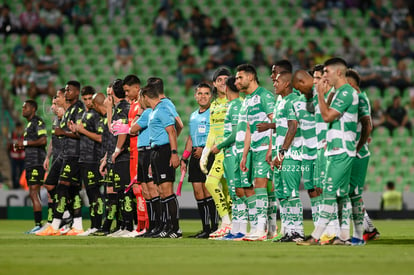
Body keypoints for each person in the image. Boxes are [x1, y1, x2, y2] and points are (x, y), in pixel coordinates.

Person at [298, 57, 358, 246]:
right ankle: (344, 237)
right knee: (340, 194)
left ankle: (316, 236)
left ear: (338, 72)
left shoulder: (347, 92)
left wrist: (320, 95)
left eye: (326, 72)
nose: (324, 77)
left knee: (329, 192)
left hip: (342, 149)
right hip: (334, 149)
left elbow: (327, 116)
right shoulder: (340, 92)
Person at [234, 64, 275, 241]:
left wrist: (272, 148)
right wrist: (244, 154)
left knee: (260, 185)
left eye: (239, 77)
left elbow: (276, 122)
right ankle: (265, 228)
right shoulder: (248, 99)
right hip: (254, 149)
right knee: (258, 187)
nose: (236, 81)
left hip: (266, 147)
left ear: (251, 77)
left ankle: (261, 228)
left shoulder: (264, 96)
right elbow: (250, 129)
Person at [43, 81, 85, 236]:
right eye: (65, 91)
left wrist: (64, 133)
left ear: (76, 92)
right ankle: (71, 219)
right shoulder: (68, 111)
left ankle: (57, 224)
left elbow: (79, 132)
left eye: (68, 90)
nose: (66, 92)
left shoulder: (78, 109)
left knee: (65, 188)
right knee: (52, 185)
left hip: (74, 154)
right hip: (64, 154)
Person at [141, 79, 181, 238]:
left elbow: (172, 131)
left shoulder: (162, 109)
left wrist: (173, 153)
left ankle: (176, 229)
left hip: (165, 151)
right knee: (161, 192)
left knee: (167, 191)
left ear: (145, 96)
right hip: (156, 152)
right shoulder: (155, 110)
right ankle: (166, 226)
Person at [211, 76, 247, 240]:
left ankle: (242, 229)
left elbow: (234, 134)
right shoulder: (233, 105)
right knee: (234, 193)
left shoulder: (236, 105)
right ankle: (236, 230)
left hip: (234, 152)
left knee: (238, 192)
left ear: (227, 88)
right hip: (229, 153)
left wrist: (219, 145)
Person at [271, 71, 304, 242]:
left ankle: (298, 231)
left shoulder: (294, 100)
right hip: (279, 153)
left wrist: (283, 152)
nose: (274, 84)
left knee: (291, 193)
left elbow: (293, 127)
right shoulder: (280, 102)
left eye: (277, 81)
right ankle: (288, 230)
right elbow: (279, 128)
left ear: (286, 84)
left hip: (291, 153)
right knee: (282, 194)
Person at [181, 83, 217, 238]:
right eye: (200, 93)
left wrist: (205, 149)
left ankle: (215, 227)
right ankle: (205, 228)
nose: (203, 96)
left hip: (208, 155)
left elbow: (217, 135)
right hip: (195, 156)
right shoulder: (193, 115)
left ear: (211, 96)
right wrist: (184, 157)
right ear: (195, 96)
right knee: (198, 191)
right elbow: (191, 138)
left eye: (206, 93)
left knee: (208, 190)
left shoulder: (214, 113)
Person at [200, 68, 231, 239]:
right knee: (212, 184)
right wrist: (206, 151)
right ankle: (227, 222)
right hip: (218, 153)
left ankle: (228, 223)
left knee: (226, 189)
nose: (223, 82)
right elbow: (212, 131)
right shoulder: (213, 105)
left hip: (232, 150)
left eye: (227, 79)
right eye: (220, 79)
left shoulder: (235, 100)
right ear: (214, 83)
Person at [71, 86, 104, 236]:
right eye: (85, 99)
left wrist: (82, 131)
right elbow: (86, 136)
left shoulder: (96, 115)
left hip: (93, 158)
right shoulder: (85, 114)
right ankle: (94, 225)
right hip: (84, 158)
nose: (88, 102)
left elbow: (100, 137)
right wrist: (76, 131)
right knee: (90, 194)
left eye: (90, 98)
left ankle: (97, 225)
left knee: (95, 192)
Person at [345, 69, 374, 246]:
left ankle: (364, 229)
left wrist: (358, 146)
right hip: (352, 150)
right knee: (350, 192)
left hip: (357, 151)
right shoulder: (357, 99)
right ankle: (368, 227)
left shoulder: (360, 99)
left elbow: (367, 125)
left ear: (354, 85)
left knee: (352, 192)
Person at [122, 74, 148, 236]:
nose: (125, 94)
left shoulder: (142, 105)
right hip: (132, 151)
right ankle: (139, 226)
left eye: (127, 90)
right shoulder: (133, 105)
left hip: (140, 150)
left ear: (137, 88)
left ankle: (145, 226)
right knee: (137, 189)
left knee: (142, 189)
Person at [17, 100, 47, 234]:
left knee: (34, 192)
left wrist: (25, 143)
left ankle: (39, 225)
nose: (23, 109)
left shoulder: (38, 122)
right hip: (30, 162)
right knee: (33, 193)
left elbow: (43, 140)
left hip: (36, 162)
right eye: (22, 107)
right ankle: (39, 224)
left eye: (26, 107)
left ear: (33, 109)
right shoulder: (29, 125)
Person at [7, 121, 25, 189]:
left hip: (23, 158)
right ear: (16, 128)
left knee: (22, 173)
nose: (19, 130)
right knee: (14, 173)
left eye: (20, 128)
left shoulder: (24, 135)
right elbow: (9, 146)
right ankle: (15, 187)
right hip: (14, 158)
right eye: (18, 128)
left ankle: (21, 186)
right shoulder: (12, 135)